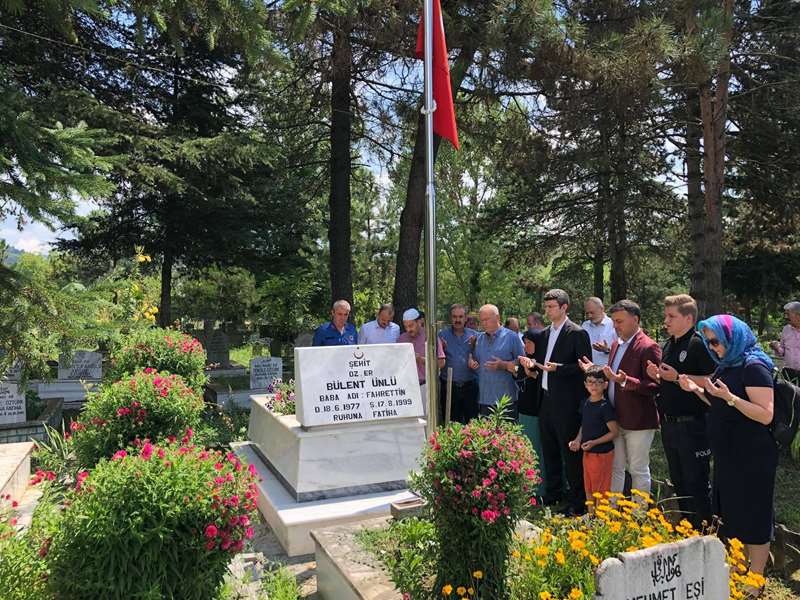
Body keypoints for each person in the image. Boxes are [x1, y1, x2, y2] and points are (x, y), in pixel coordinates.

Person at [678, 315, 777, 590]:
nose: (712, 347)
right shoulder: (726, 365)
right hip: (728, 453)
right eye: (708, 342)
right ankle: (737, 567)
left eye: (716, 341)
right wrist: (697, 389)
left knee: (754, 513)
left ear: (732, 339)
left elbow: (765, 415)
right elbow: (717, 402)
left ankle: (756, 580)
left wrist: (730, 398)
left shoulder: (754, 366)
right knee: (731, 512)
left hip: (752, 455)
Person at [645, 294, 716, 528]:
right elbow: (671, 378)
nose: (666, 321)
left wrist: (676, 377)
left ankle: (703, 533)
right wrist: (658, 376)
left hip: (693, 425)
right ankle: (686, 527)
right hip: (670, 423)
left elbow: (713, 381)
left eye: (671, 316)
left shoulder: (698, 344)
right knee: (679, 481)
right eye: (665, 315)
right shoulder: (670, 344)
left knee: (696, 482)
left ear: (688, 318)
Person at [581, 299, 661, 496]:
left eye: (620, 321)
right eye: (614, 321)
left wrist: (624, 381)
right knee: (616, 468)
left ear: (636, 320)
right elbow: (611, 375)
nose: (615, 326)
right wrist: (593, 369)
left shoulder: (649, 346)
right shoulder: (616, 344)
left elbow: (655, 387)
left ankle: (638, 517)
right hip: (616, 418)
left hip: (638, 420)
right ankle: (612, 514)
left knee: (638, 469)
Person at [533, 289, 592, 514]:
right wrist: (531, 365)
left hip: (567, 402)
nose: (547, 311)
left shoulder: (577, 333)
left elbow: (585, 367)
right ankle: (553, 493)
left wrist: (560, 369)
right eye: (546, 307)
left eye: (551, 307)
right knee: (549, 449)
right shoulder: (545, 333)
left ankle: (577, 501)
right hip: (546, 399)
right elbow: (542, 363)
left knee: (570, 452)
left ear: (564, 307)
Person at [569, 366, 619, 498]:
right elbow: (583, 426)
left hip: (602, 453)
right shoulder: (585, 403)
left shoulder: (605, 406)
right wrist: (577, 440)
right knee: (589, 485)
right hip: (588, 452)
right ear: (585, 385)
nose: (594, 386)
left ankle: (600, 517)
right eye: (590, 382)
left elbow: (614, 432)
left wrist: (594, 442)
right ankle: (591, 515)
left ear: (605, 385)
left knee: (601, 488)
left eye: (598, 382)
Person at [468, 304, 525, 416]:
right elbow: (475, 361)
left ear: (498, 318)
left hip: (506, 401)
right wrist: (472, 362)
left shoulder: (512, 337)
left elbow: (523, 368)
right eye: (482, 320)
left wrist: (504, 365)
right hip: (484, 400)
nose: (484, 323)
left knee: (507, 433)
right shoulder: (478, 339)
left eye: (487, 319)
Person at [438, 304, 479, 423]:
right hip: (449, 387)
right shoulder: (442, 336)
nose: (457, 320)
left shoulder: (474, 336)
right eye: (454, 317)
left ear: (466, 318)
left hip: (470, 387)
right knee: (451, 423)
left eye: (461, 316)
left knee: (472, 424)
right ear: (450, 318)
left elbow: (480, 359)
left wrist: (475, 347)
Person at [517, 331, 546, 495]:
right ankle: (527, 487)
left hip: (537, 413)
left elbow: (538, 373)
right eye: (524, 342)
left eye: (529, 342)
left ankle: (538, 489)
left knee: (537, 451)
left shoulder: (543, 361)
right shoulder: (524, 359)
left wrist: (532, 371)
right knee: (526, 451)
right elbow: (519, 373)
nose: (525, 346)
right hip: (524, 411)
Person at [398, 308, 445, 404]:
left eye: (411, 325)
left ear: (419, 322)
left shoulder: (430, 337)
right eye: (406, 326)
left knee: (425, 419)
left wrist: (421, 360)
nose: (408, 329)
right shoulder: (402, 339)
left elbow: (441, 363)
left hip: (425, 387)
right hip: (406, 387)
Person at [581, 297, 616, 366]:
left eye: (592, 312)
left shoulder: (613, 325)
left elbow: (623, 350)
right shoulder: (585, 325)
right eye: (587, 313)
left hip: (608, 371)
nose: (589, 316)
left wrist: (607, 350)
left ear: (602, 309)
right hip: (589, 371)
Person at [770, 301, 800, 382]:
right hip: (788, 372)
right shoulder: (786, 329)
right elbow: (782, 352)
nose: (785, 317)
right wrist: (776, 347)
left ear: (798, 315)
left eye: (788, 314)